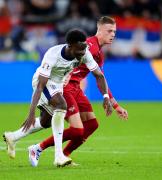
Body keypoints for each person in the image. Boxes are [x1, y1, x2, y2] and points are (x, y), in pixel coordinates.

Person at [27, 16, 128, 167]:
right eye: (109, 31)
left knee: (92, 125)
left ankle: (64, 156)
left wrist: (114, 104)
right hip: (66, 88)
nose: (113, 34)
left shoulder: (98, 51)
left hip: (76, 88)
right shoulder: (89, 47)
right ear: (99, 31)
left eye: (114, 31)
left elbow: (100, 77)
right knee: (77, 130)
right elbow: (68, 62)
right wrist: (66, 77)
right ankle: (38, 148)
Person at [3, 29, 112, 167]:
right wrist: (31, 113)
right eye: (79, 50)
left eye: (84, 49)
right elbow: (40, 85)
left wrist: (106, 96)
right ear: (70, 46)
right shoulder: (52, 55)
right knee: (62, 105)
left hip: (58, 84)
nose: (82, 53)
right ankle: (59, 155)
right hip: (43, 82)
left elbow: (99, 75)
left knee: (45, 122)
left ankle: (13, 137)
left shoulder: (84, 52)